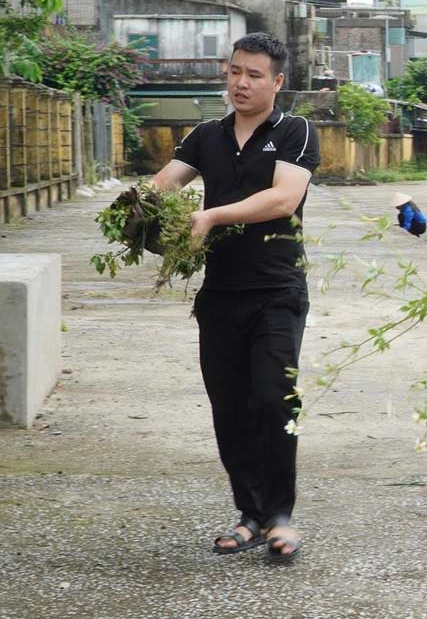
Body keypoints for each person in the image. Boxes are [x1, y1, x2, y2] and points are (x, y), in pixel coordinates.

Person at [151, 32, 320, 563]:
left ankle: (281, 515)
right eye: (234, 72)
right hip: (220, 294)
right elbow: (162, 186)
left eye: (253, 75)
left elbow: (283, 198)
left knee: (274, 398)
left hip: (277, 290)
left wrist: (214, 214)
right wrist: (140, 212)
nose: (240, 83)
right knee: (231, 407)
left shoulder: (296, 131)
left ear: (277, 82)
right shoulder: (206, 135)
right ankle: (249, 515)